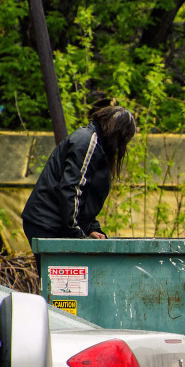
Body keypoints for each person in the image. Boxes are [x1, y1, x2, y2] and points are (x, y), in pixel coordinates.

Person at [21, 105, 137, 265]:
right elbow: (71, 189)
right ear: (119, 134)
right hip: (47, 223)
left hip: (51, 223)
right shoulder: (87, 142)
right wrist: (77, 233)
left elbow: (87, 196)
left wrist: (91, 228)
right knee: (61, 283)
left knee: (63, 284)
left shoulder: (97, 145)